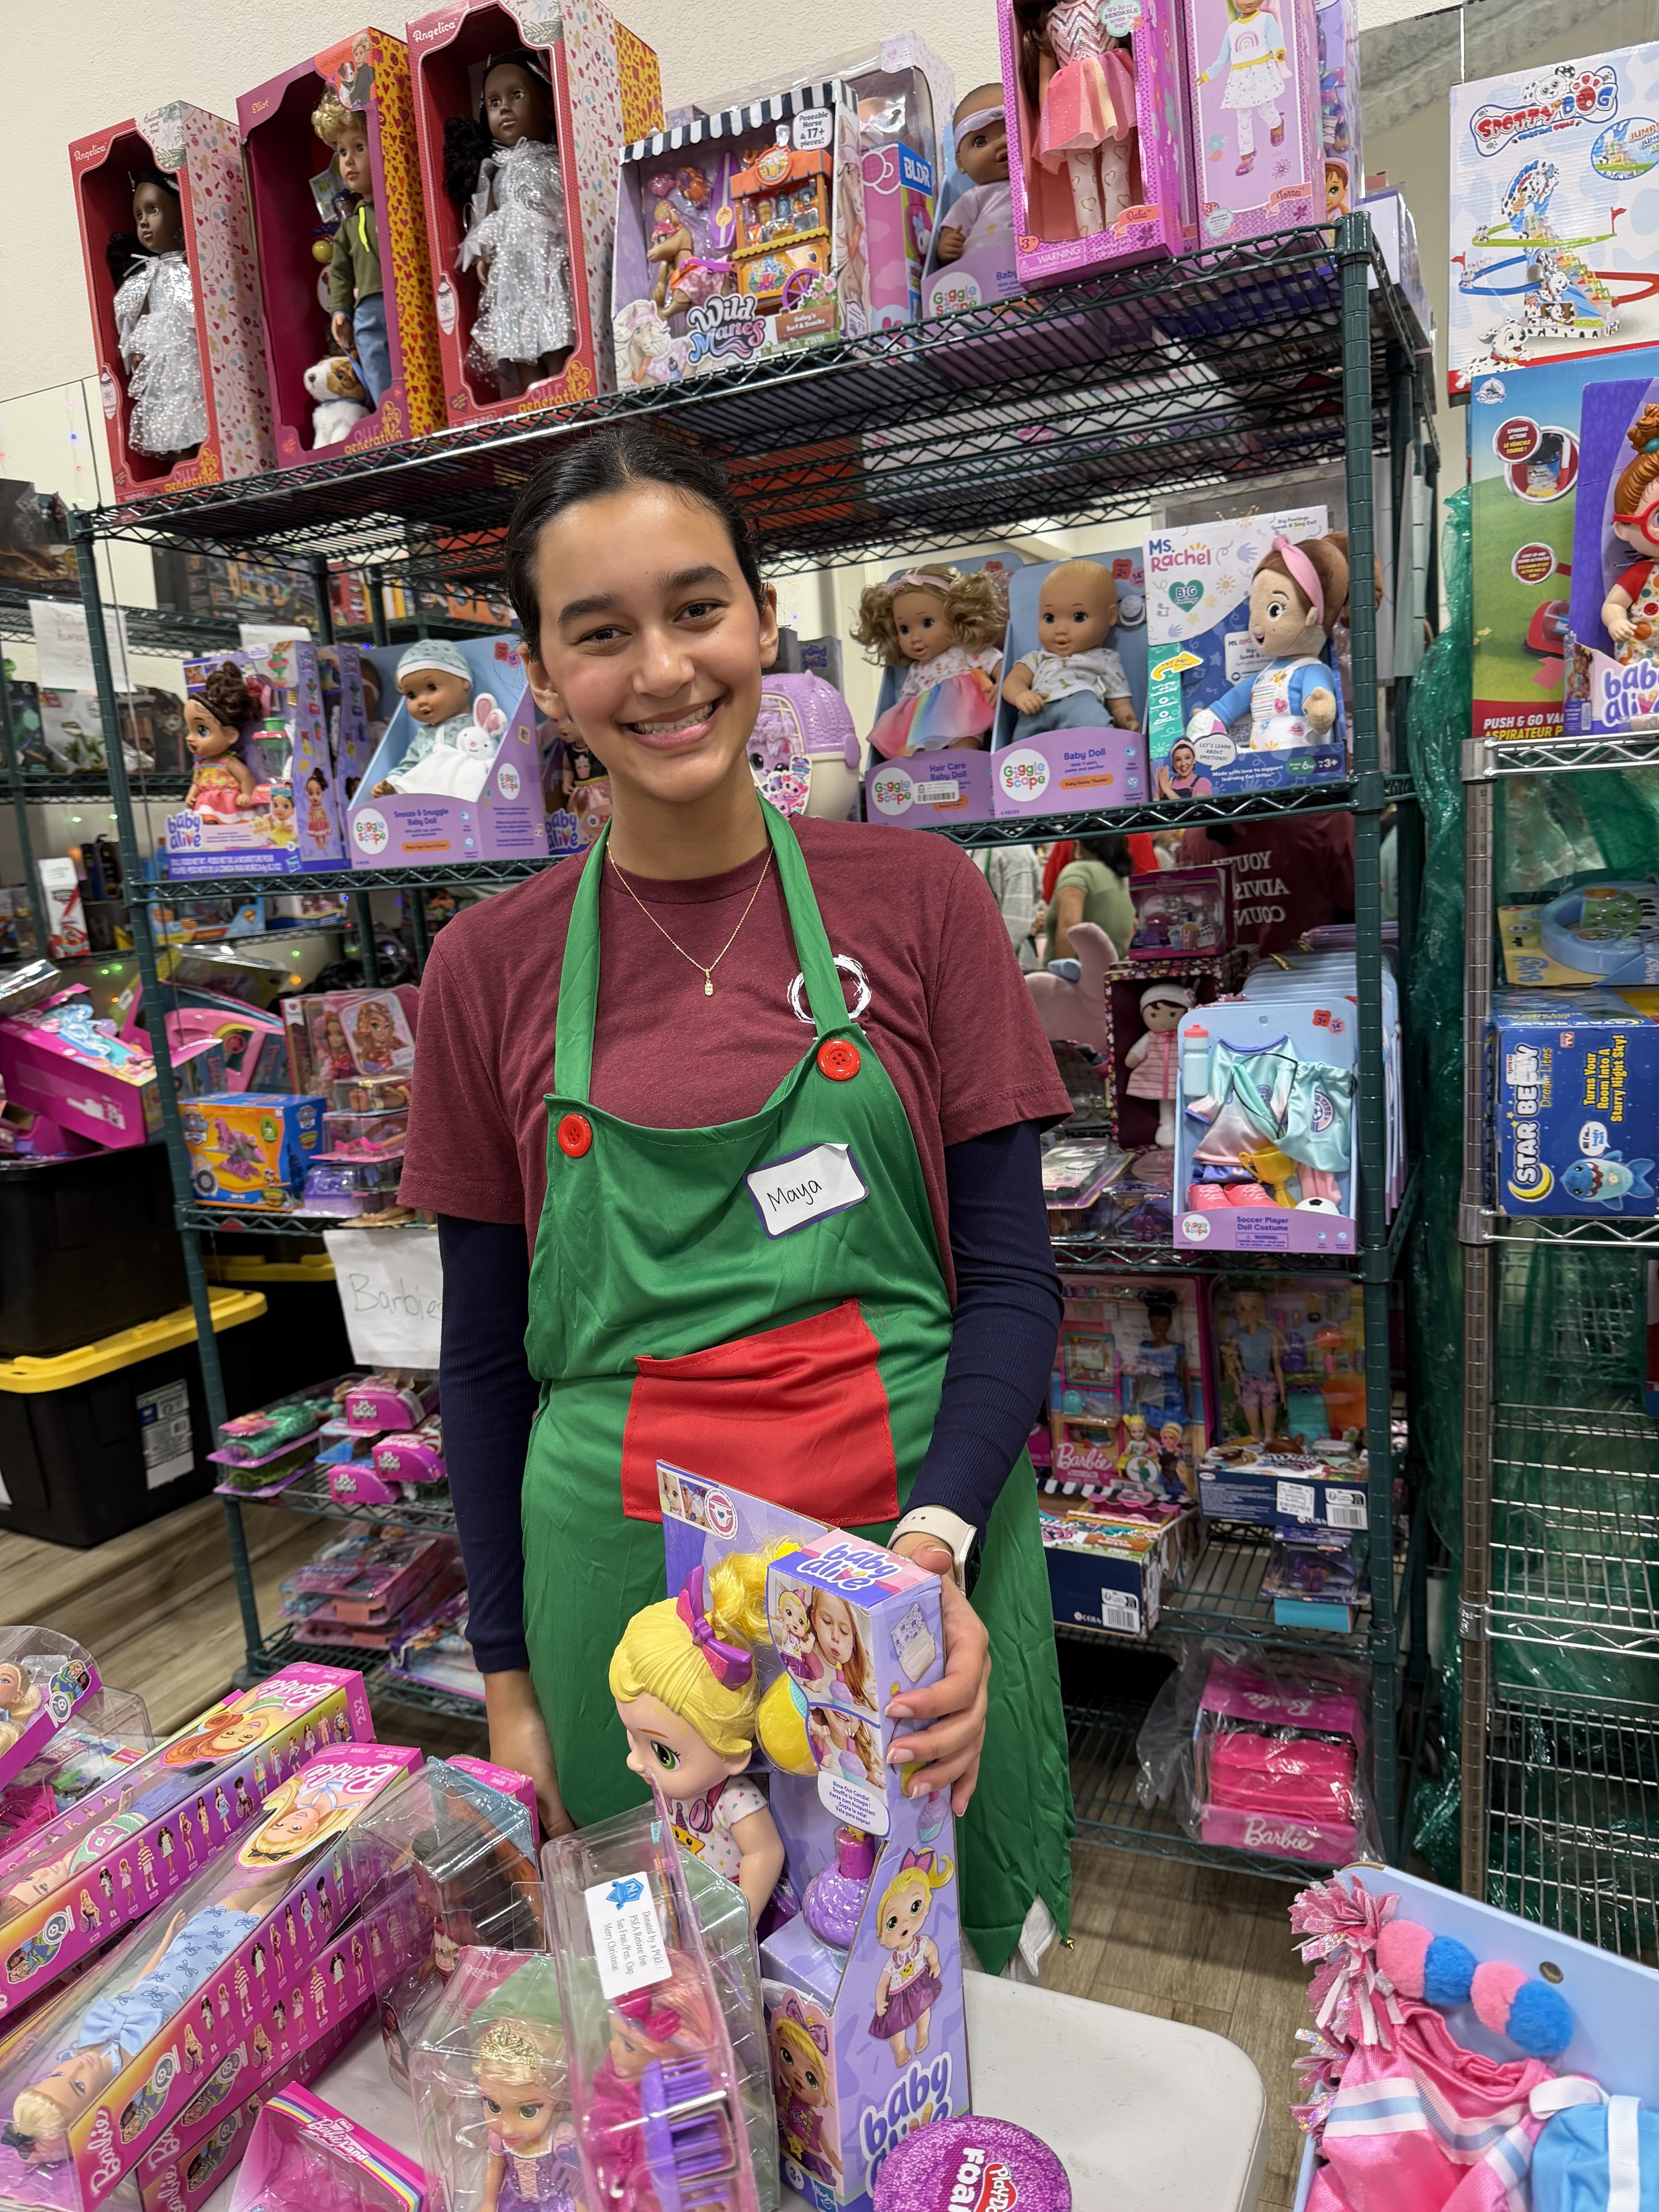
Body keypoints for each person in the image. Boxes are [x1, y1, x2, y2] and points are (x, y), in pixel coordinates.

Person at [399, 426, 1073, 1976]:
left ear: (766, 621)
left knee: (927, 2011)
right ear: (539, 670)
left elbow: (1014, 1283)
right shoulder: (488, 969)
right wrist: (507, 1676)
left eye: (696, 608)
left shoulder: (921, 903)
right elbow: (488, 1359)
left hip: (908, 1567)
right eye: (601, 631)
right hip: (621, 1603)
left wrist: (930, 1558)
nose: (661, 668)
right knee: (675, 2022)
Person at [1175, 814, 1355, 954]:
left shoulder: (1195, 836)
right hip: (1316, 978)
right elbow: (1356, 905)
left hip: (1229, 988)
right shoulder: (1325, 818)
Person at [1043, 832, 1135, 962]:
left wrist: (1064, 972)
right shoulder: (1120, 876)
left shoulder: (1079, 872)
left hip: (1080, 975)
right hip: (1112, 972)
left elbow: (1070, 927)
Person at [974, 844, 1042, 968]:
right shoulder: (972, 845)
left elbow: (1018, 922)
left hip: (1005, 963)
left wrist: (983, 965)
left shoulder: (1015, 853)